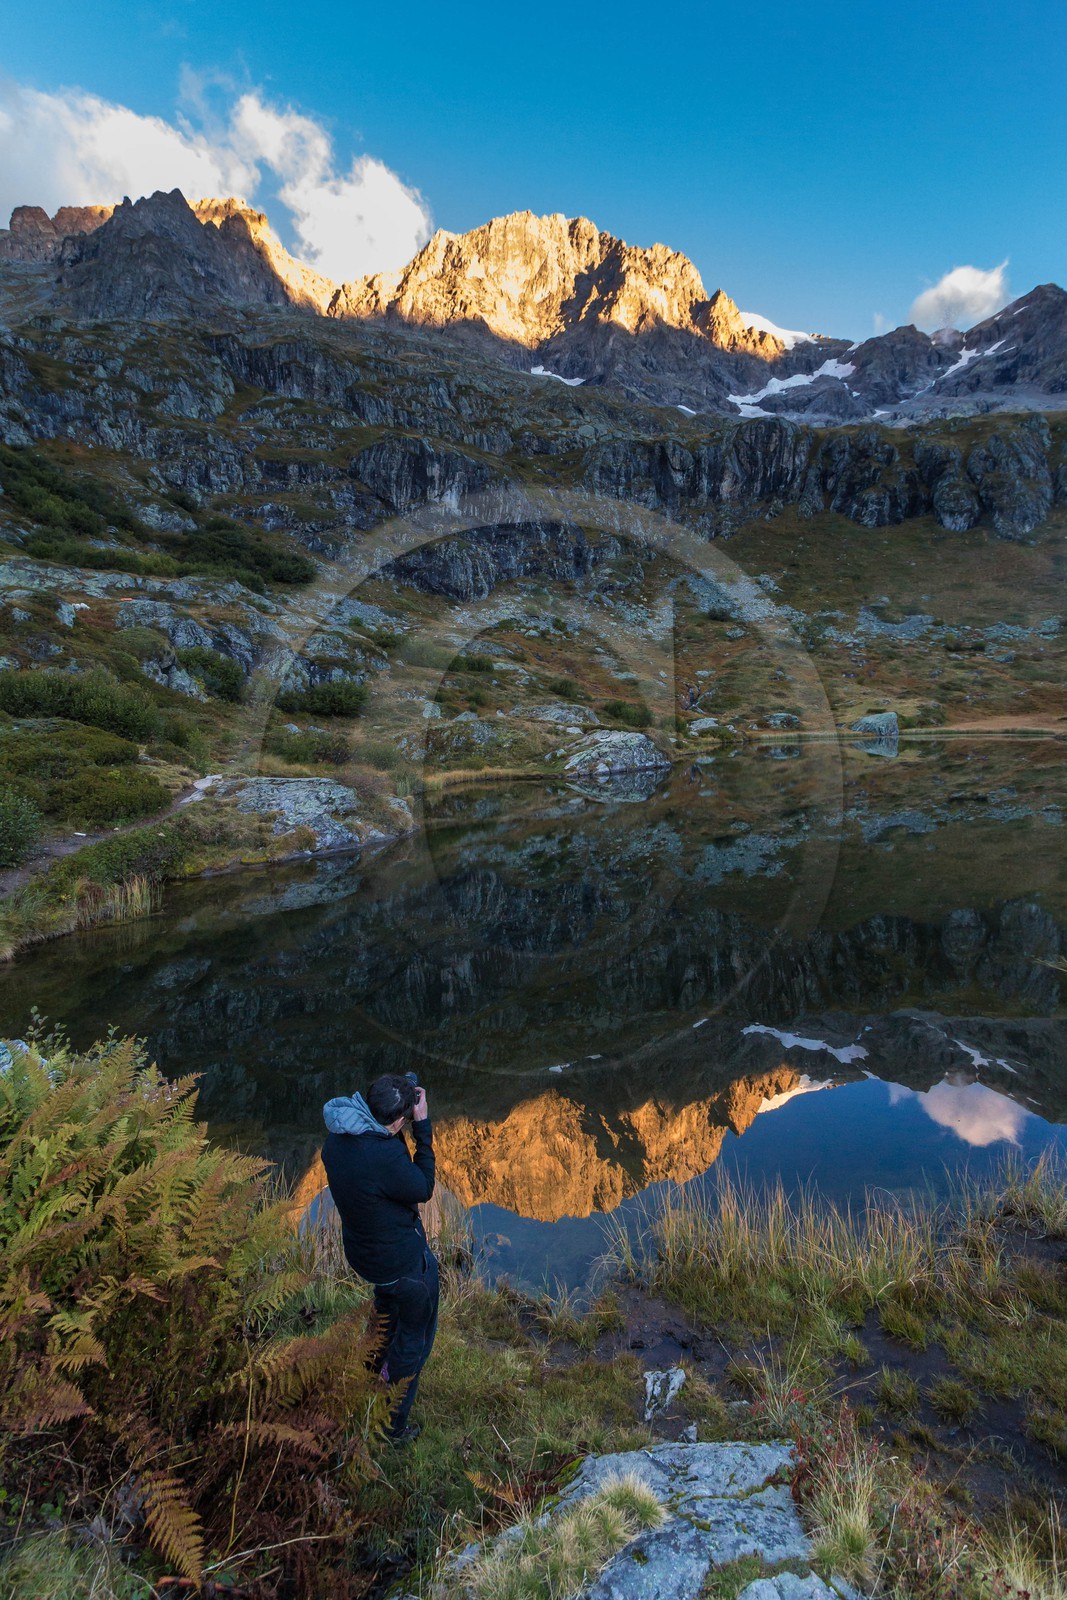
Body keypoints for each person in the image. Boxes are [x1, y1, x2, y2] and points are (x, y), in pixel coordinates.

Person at [321, 1073, 438, 1445]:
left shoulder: (338, 1139)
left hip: (366, 1255)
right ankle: (393, 1425)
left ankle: (369, 1375)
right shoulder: (384, 1154)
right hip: (402, 1263)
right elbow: (422, 1187)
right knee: (415, 1338)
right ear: (397, 1122)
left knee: (386, 1314)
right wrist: (422, 1129)